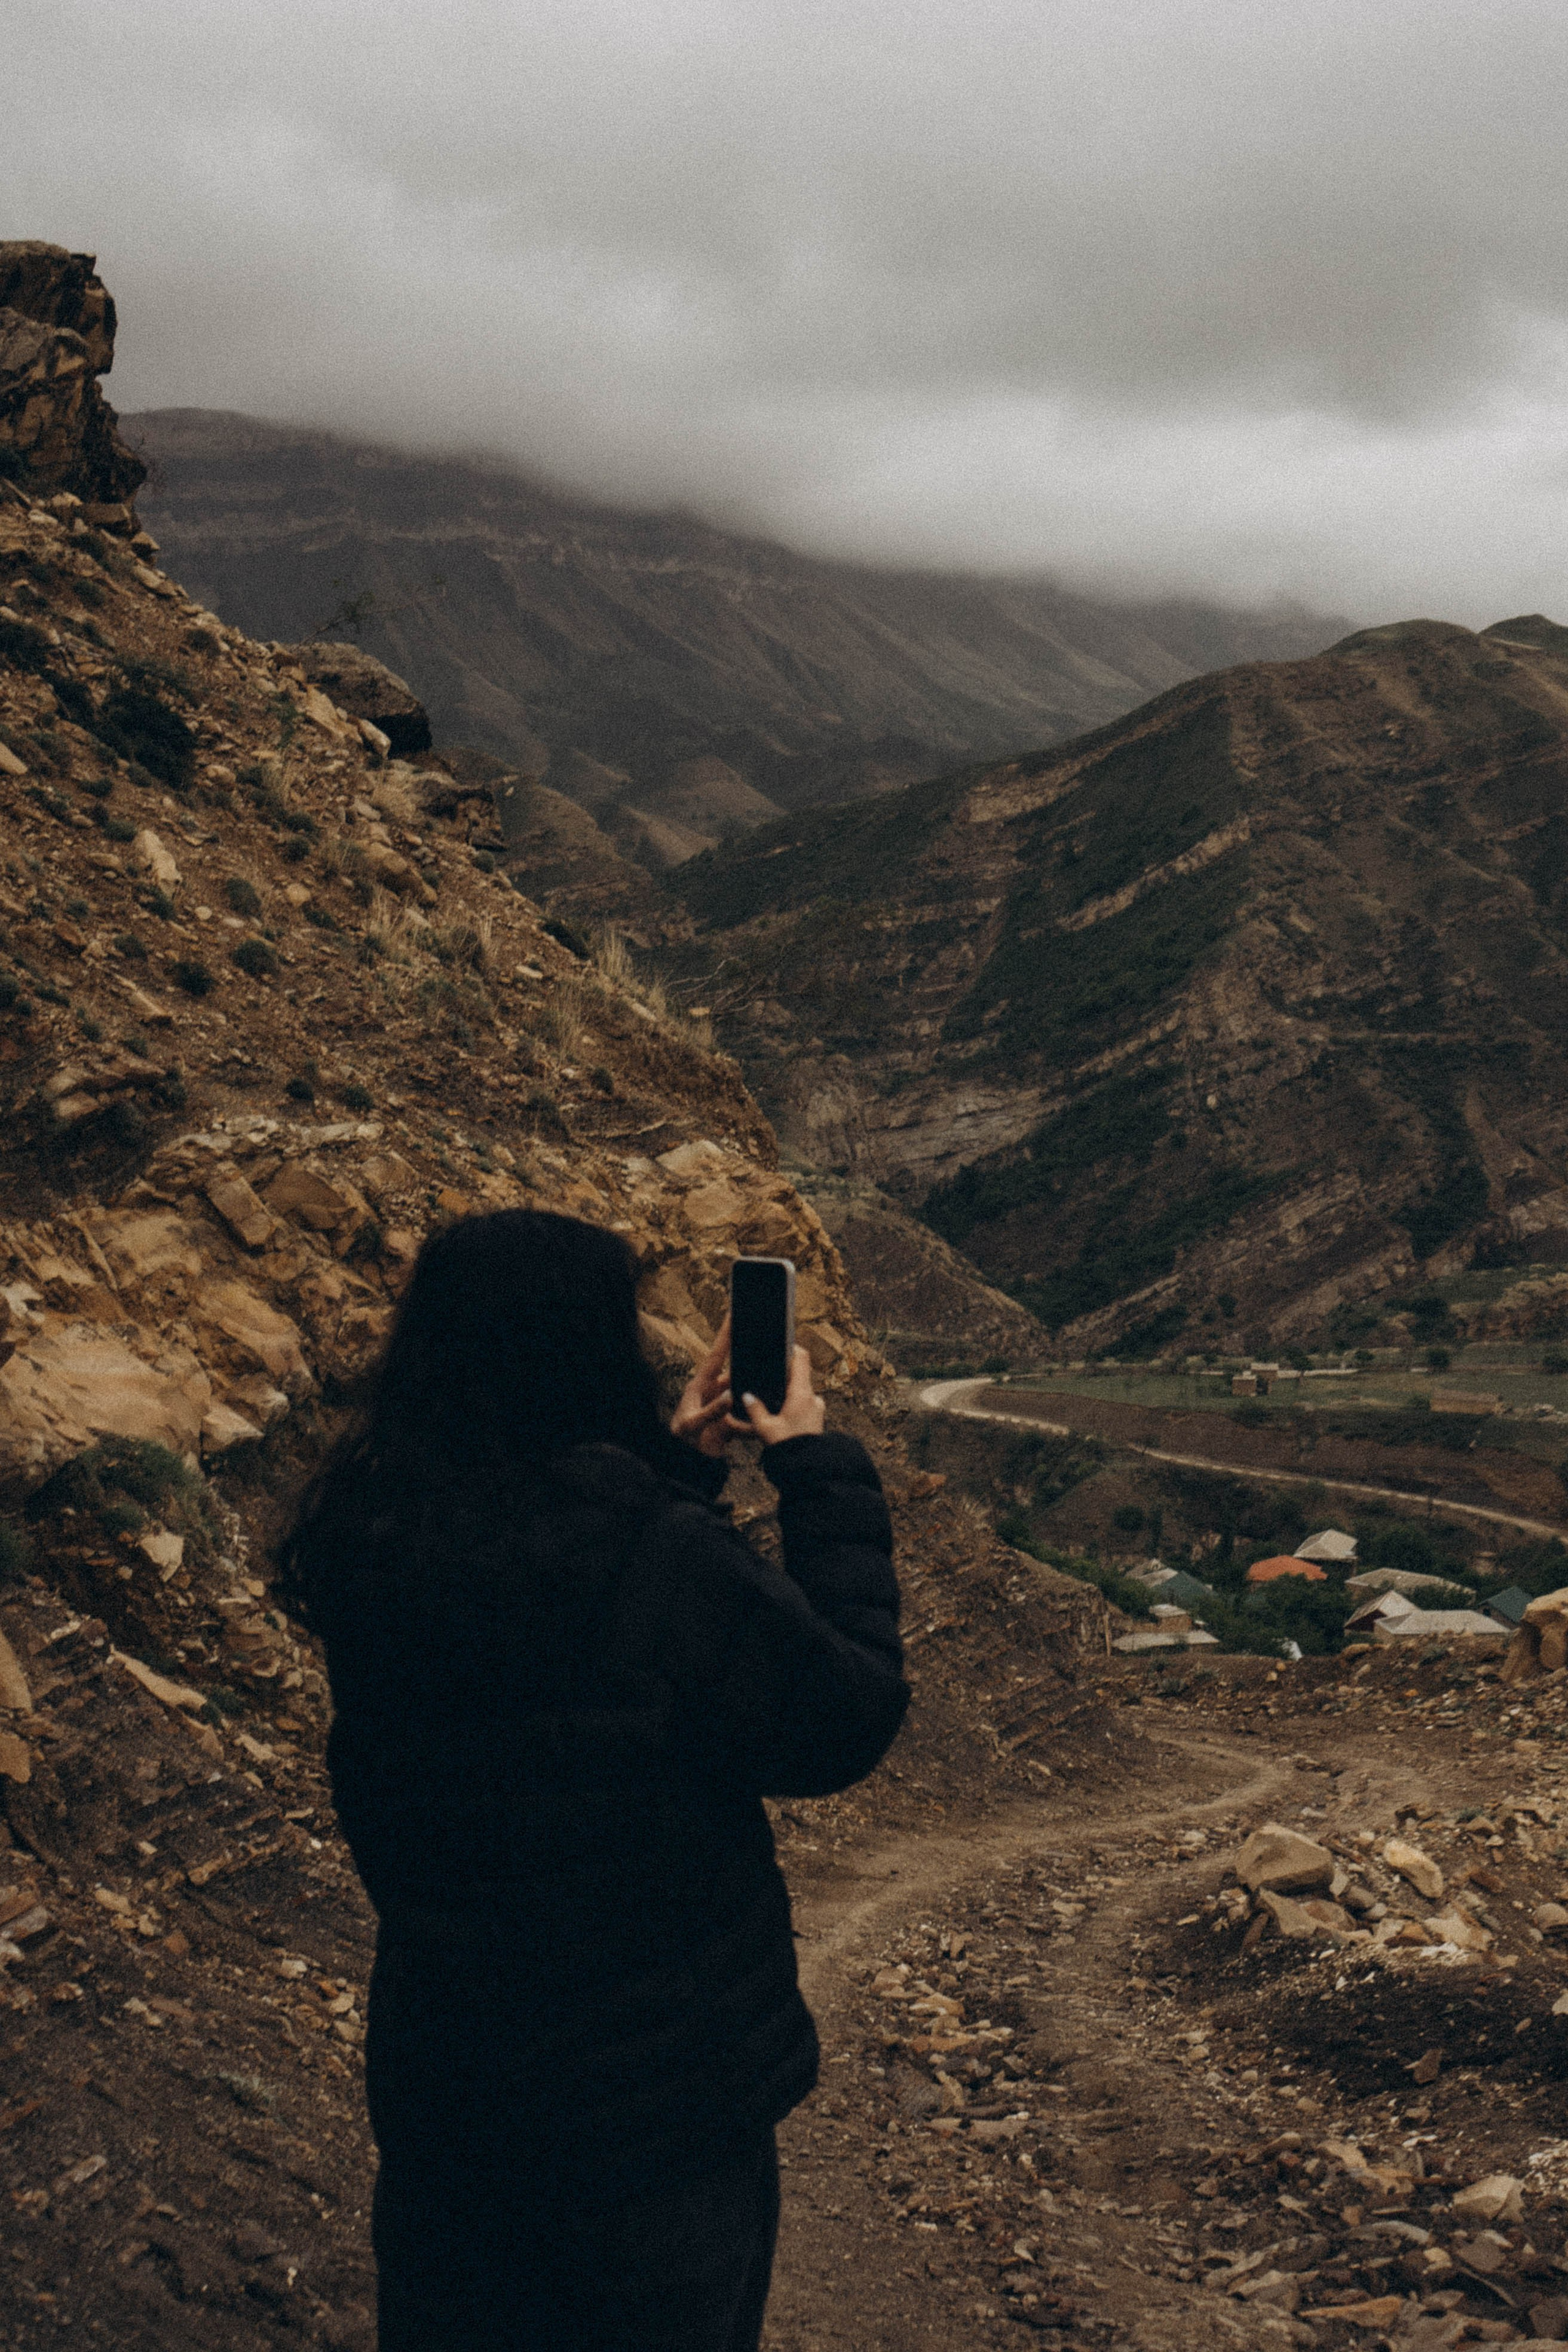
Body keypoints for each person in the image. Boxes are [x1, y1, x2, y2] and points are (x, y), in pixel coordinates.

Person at [276, 1208, 908, 2351]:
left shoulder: (371, 1542)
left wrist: (677, 1471)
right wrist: (813, 1468)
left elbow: (544, 1631)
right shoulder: (649, 1553)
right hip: (657, 2122)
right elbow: (842, 1719)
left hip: (453, 2104)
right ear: (594, 1352)